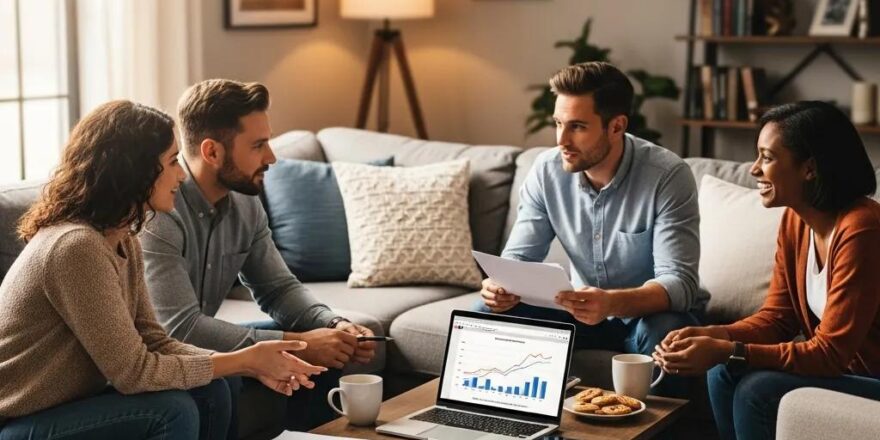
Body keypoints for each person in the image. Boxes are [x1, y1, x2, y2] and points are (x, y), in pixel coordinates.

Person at [0, 100, 325, 440]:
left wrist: (238, 363)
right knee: (172, 411)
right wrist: (244, 360)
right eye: (172, 162)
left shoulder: (123, 239)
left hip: (73, 403)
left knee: (215, 386)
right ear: (135, 171)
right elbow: (134, 372)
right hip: (20, 419)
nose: (181, 174)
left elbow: (153, 339)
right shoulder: (75, 247)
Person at [140, 79, 376, 435]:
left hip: (195, 339)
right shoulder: (160, 211)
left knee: (326, 347)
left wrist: (331, 325)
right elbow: (181, 329)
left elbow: (278, 289)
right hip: (155, 355)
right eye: (259, 145)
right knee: (243, 371)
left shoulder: (245, 201)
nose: (272, 157)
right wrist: (296, 345)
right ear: (212, 152)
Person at [476, 62, 706, 398]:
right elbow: (519, 259)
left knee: (670, 334)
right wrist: (500, 286)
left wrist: (611, 303)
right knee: (486, 312)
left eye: (577, 127)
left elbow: (680, 284)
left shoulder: (667, 175)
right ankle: (505, 424)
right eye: (558, 124)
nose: (562, 140)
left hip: (648, 317)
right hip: (578, 312)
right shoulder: (546, 171)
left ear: (616, 126)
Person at [653, 101, 880, 440]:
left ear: (810, 168)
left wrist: (727, 349)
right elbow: (777, 318)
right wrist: (712, 336)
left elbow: (829, 355)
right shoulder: (796, 221)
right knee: (721, 373)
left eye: (767, 157)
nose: (754, 169)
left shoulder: (862, 229)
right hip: (846, 371)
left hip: (871, 378)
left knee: (757, 390)